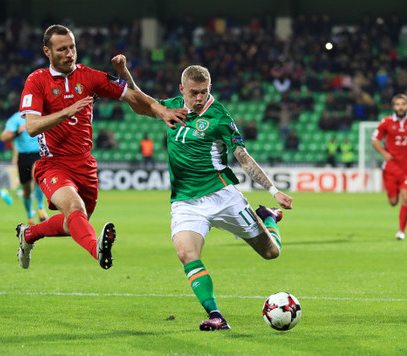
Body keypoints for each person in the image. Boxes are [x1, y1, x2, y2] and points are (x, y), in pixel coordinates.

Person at [114, 61, 293, 331]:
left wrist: (273, 190)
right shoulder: (172, 107)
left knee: (271, 252)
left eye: (204, 92)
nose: (199, 98)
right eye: (194, 92)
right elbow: (139, 102)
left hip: (222, 197)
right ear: (182, 89)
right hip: (186, 201)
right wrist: (123, 73)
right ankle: (216, 316)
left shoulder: (219, 116)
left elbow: (243, 158)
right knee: (186, 253)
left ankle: (268, 219)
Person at [15, 24, 187, 270]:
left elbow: (135, 100)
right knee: (75, 209)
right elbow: (32, 127)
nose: (69, 53)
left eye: (72, 47)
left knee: (74, 222)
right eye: (62, 49)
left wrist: (163, 110)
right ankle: (97, 249)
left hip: (85, 164)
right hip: (53, 163)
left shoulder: (90, 77)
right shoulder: (37, 80)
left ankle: (29, 234)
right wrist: (67, 112)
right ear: (47, 51)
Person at [372, 94, 407, 240]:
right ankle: (395, 193)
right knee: (393, 202)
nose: (400, 107)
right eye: (397, 104)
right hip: (391, 168)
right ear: (393, 107)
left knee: (405, 197)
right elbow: (375, 140)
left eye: (403, 104)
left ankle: (401, 231)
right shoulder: (386, 122)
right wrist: (384, 153)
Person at [0, 111, 48, 225]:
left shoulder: (41, 114)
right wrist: (17, 132)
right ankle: (29, 213)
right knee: (26, 191)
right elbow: (4, 137)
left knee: (36, 176)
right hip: (23, 156)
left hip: (38, 153)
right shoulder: (16, 118)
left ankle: (41, 207)